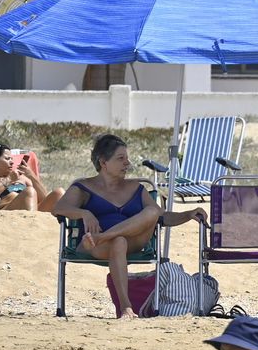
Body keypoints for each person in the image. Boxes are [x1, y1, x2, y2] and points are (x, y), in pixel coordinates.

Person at [54, 134, 205, 319]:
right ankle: (126, 308)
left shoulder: (136, 188)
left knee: (151, 212)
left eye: (127, 158)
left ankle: (105, 235)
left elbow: (162, 217)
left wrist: (188, 214)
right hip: (96, 246)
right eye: (121, 158)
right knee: (118, 241)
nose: (128, 163)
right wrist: (85, 213)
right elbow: (59, 208)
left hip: (126, 241)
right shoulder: (84, 187)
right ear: (103, 162)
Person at [0, 142, 63, 212]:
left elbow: (44, 198)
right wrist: (9, 179)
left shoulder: (23, 178)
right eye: (7, 159)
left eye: (11, 159)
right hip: (7, 210)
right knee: (29, 192)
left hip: (32, 208)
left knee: (59, 193)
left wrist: (31, 175)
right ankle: (32, 224)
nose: (12, 162)